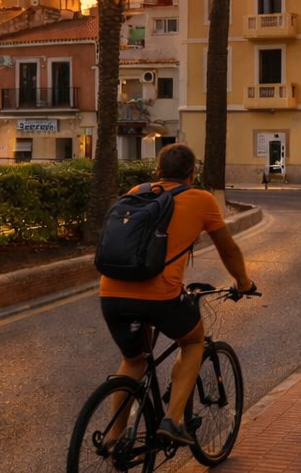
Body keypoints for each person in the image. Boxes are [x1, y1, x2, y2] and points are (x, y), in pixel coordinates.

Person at [99, 143, 257, 446]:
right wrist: (243, 282)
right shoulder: (201, 199)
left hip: (111, 291)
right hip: (160, 296)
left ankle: (114, 436)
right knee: (193, 341)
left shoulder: (137, 191)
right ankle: (172, 420)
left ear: (158, 171)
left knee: (133, 361)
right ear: (192, 173)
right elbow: (228, 249)